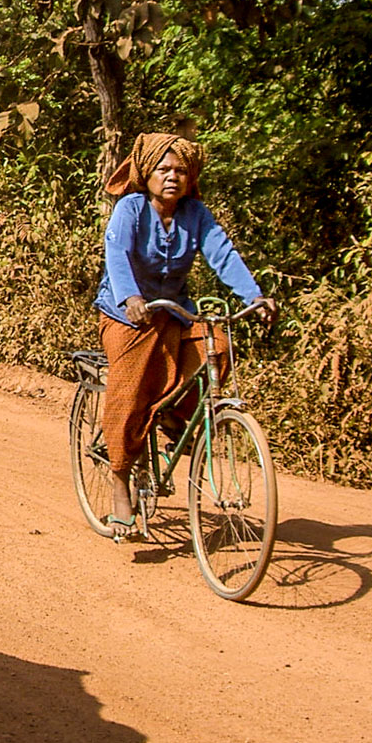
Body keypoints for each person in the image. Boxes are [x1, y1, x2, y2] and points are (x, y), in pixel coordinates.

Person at [95, 132, 277, 537]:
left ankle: (174, 416)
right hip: (127, 316)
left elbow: (222, 254)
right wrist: (130, 297)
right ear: (147, 174)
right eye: (163, 169)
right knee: (129, 391)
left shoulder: (196, 213)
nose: (172, 177)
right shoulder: (130, 208)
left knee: (217, 348)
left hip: (175, 311)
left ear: (190, 177)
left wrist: (254, 296)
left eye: (180, 170)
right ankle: (120, 482)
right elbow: (116, 253)